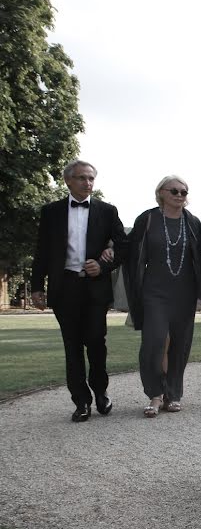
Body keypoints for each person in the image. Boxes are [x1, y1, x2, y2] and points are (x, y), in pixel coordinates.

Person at [31, 160, 127, 422]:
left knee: (96, 343)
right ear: (68, 181)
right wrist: (37, 286)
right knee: (72, 346)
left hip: (95, 288)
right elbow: (42, 251)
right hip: (65, 287)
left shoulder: (107, 211)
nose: (88, 183)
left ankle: (101, 392)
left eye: (91, 178)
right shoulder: (51, 212)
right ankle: (81, 401)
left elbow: (123, 246)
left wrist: (104, 264)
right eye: (82, 178)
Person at [122, 176, 201, 417]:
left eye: (184, 192)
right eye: (174, 191)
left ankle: (173, 394)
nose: (180, 195)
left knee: (180, 344)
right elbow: (130, 251)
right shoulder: (148, 219)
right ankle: (155, 393)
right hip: (154, 291)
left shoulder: (192, 222)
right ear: (161, 192)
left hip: (185, 292)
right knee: (154, 342)